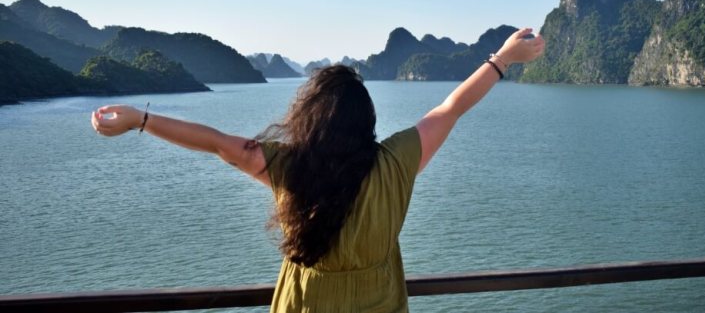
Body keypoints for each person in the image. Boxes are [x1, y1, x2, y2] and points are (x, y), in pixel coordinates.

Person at [91, 28, 545, 312]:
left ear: (309, 120)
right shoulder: (396, 161)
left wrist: (141, 120)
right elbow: (452, 107)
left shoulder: (289, 168)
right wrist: (503, 58)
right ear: (366, 120)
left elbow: (216, 144)